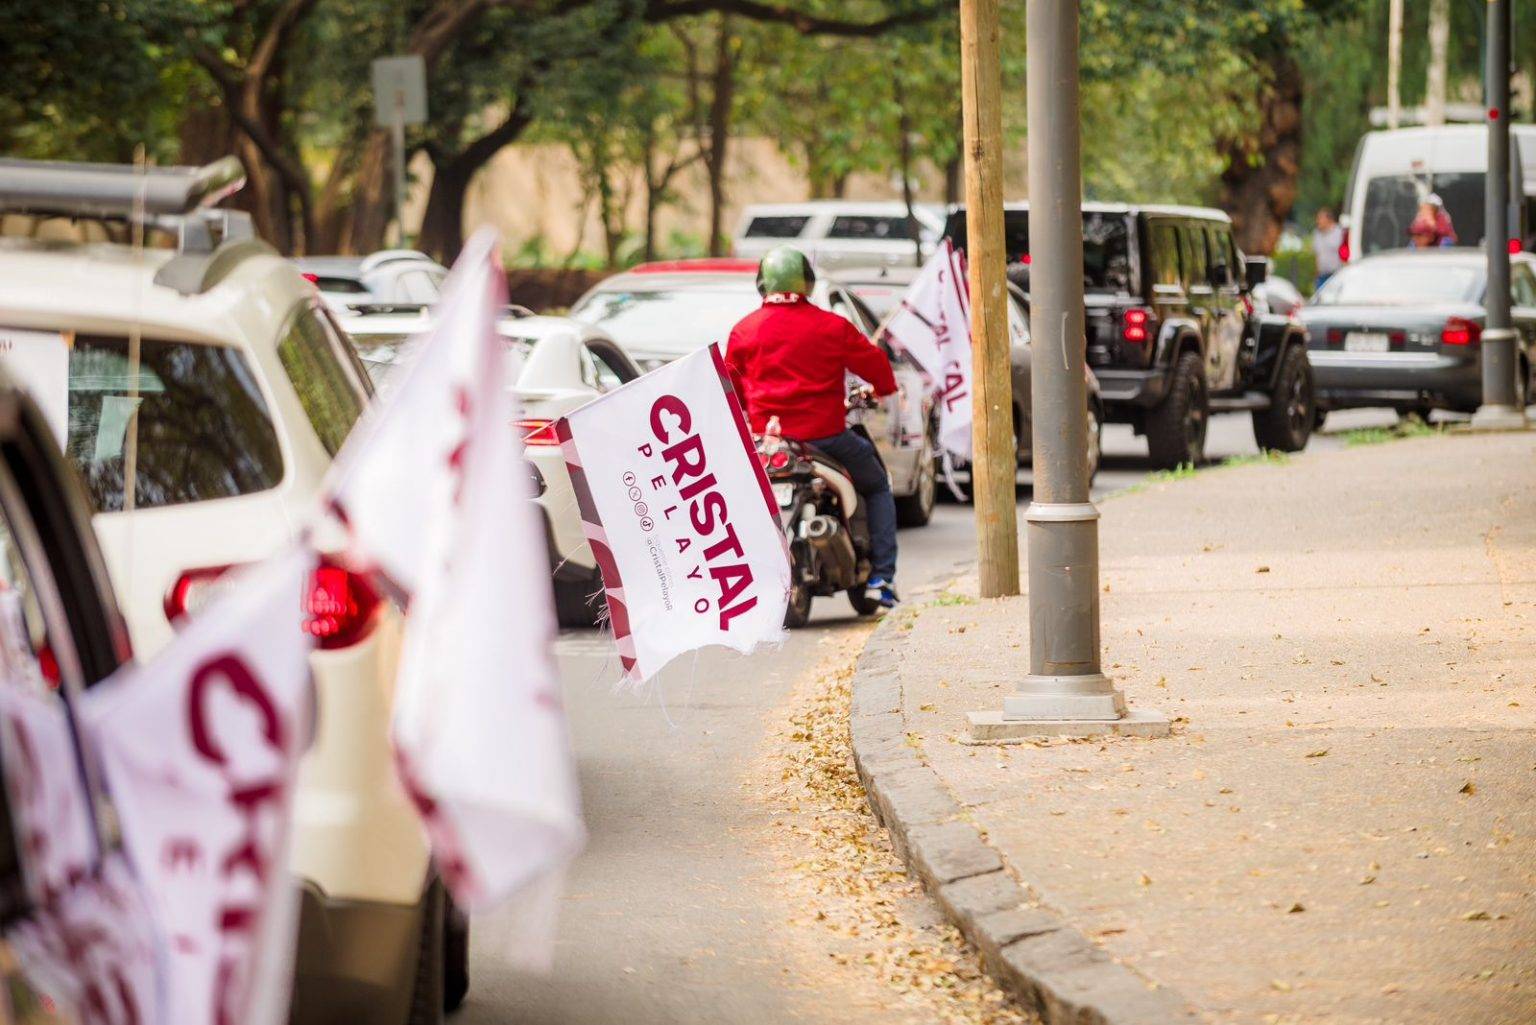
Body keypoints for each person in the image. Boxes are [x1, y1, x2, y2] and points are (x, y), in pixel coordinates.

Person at [725, 246, 901, 608]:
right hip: (827, 439)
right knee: (877, 485)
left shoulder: (744, 331)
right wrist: (882, 390)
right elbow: (878, 368)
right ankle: (881, 577)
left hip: (768, 445)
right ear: (807, 282)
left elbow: (732, 390)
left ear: (762, 284)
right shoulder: (832, 326)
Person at [1312, 206, 1343, 290]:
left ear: (1329, 220)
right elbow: (1317, 255)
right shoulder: (1316, 234)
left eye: (1320, 218)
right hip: (1321, 276)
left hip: (1336, 275)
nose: (1317, 221)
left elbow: (1345, 253)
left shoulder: (1339, 232)